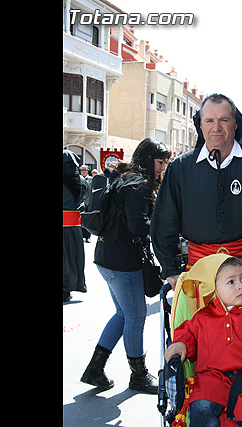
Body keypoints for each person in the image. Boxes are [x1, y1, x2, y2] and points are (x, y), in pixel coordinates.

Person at [151, 94, 242, 289]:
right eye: (209, 120)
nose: (216, 127)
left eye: (224, 120)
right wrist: (171, 269)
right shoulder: (181, 167)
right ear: (201, 125)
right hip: (198, 274)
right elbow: (164, 221)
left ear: (235, 124)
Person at [80, 138, 171, 394]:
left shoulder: (127, 178)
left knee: (123, 313)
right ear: (148, 158)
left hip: (108, 256)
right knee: (135, 315)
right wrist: (165, 228)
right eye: (160, 162)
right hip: (122, 260)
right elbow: (137, 226)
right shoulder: (139, 185)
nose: (162, 167)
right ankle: (139, 375)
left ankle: (95, 369)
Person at [164, 254, 242, 427]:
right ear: (214, 289)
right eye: (231, 282)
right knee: (201, 407)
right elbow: (188, 334)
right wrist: (181, 343)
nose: (241, 286)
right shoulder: (203, 316)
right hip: (212, 378)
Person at [63, 149, 87, 302]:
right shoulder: (81, 181)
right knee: (72, 259)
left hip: (70, 222)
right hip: (73, 224)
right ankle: (67, 288)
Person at [79, 165, 92, 243]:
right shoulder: (77, 179)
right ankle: (81, 236)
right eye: (82, 170)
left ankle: (87, 236)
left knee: (87, 220)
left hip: (88, 202)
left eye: (85, 170)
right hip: (80, 202)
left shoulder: (91, 179)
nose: (83, 171)